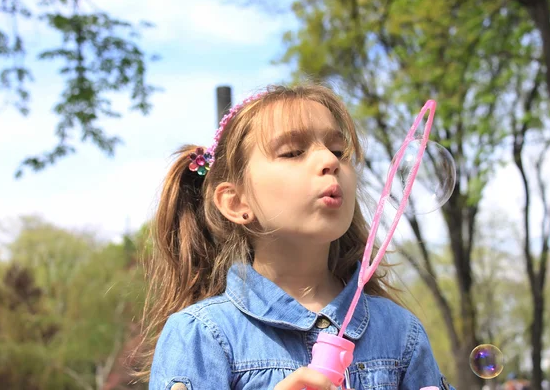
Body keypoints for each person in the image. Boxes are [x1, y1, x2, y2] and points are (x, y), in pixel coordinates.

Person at [136, 84, 454, 390]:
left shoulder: (400, 332)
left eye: (339, 150)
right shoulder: (202, 335)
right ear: (236, 202)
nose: (330, 161)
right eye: (292, 152)